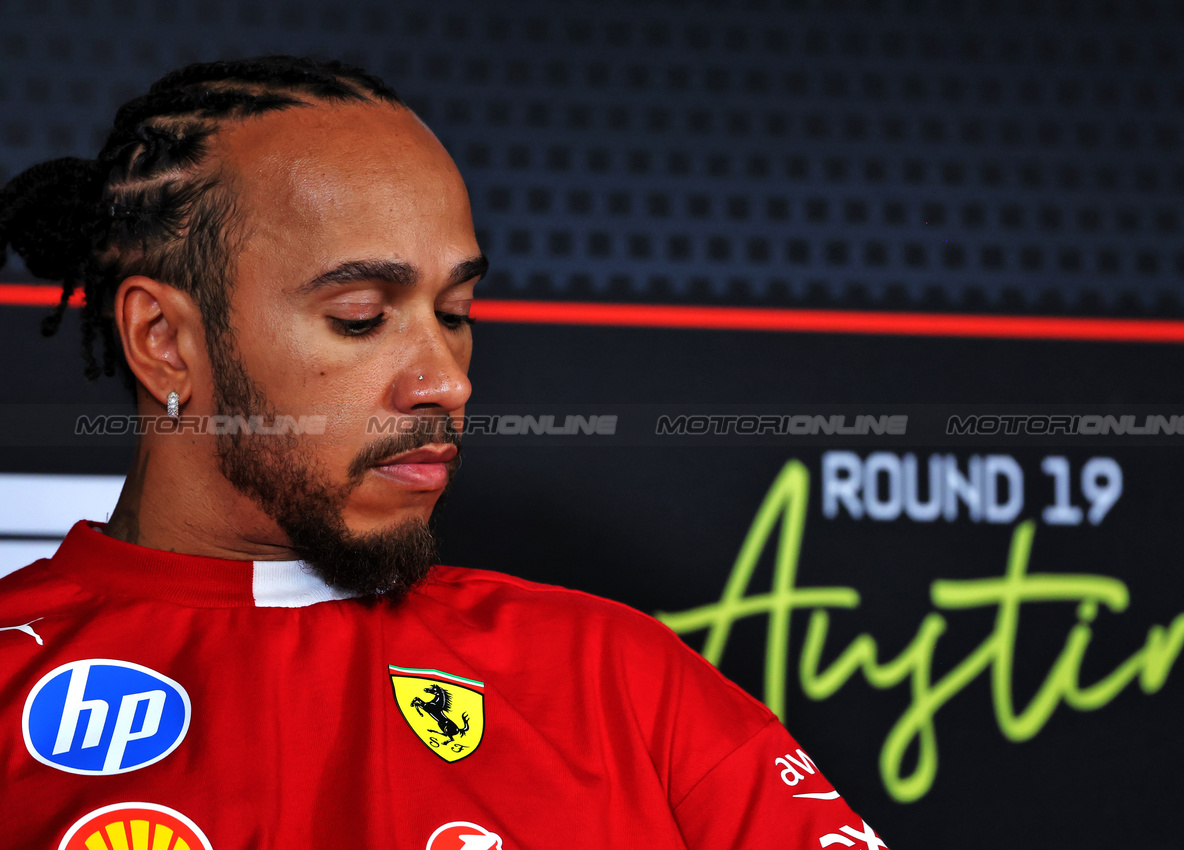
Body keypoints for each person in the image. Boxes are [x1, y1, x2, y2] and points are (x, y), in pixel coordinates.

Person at [0, 56, 887, 848]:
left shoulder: (618, 680)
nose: (446, 381)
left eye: (455, 313)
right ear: (162, 340)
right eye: (361, 317)